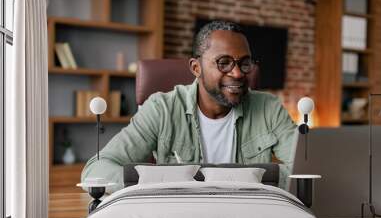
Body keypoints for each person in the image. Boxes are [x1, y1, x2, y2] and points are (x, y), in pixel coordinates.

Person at [82, 20, 297, 193]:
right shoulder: (162, 109)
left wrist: (250, 181)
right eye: (224, 62)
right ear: (196, 67)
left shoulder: (269, 108)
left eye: (244, 63)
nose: (238, 73)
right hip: (178, 216)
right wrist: (155, 183)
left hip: (246, 215)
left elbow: (307, 170)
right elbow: (96, 169)